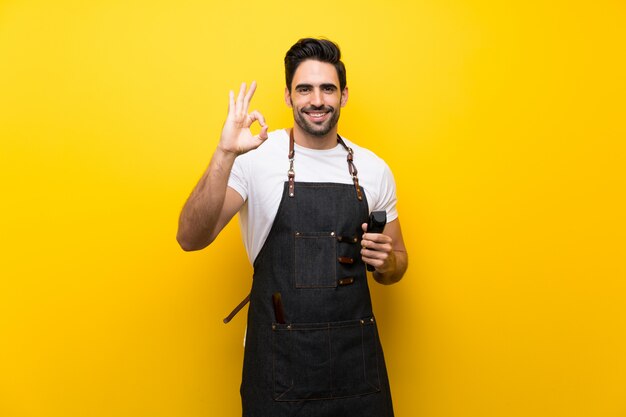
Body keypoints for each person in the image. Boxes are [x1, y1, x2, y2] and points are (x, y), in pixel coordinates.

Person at [177, 37, 408, 417]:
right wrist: (224, 153)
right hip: (279, 369)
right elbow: (190, 237)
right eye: (305, 89)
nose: (317, 100)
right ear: (288, 96)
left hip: (357, 370)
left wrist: (387, 263)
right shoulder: (255, 157)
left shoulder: (373, 169)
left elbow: (396, 265)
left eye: (327, 88)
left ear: (344, 95)